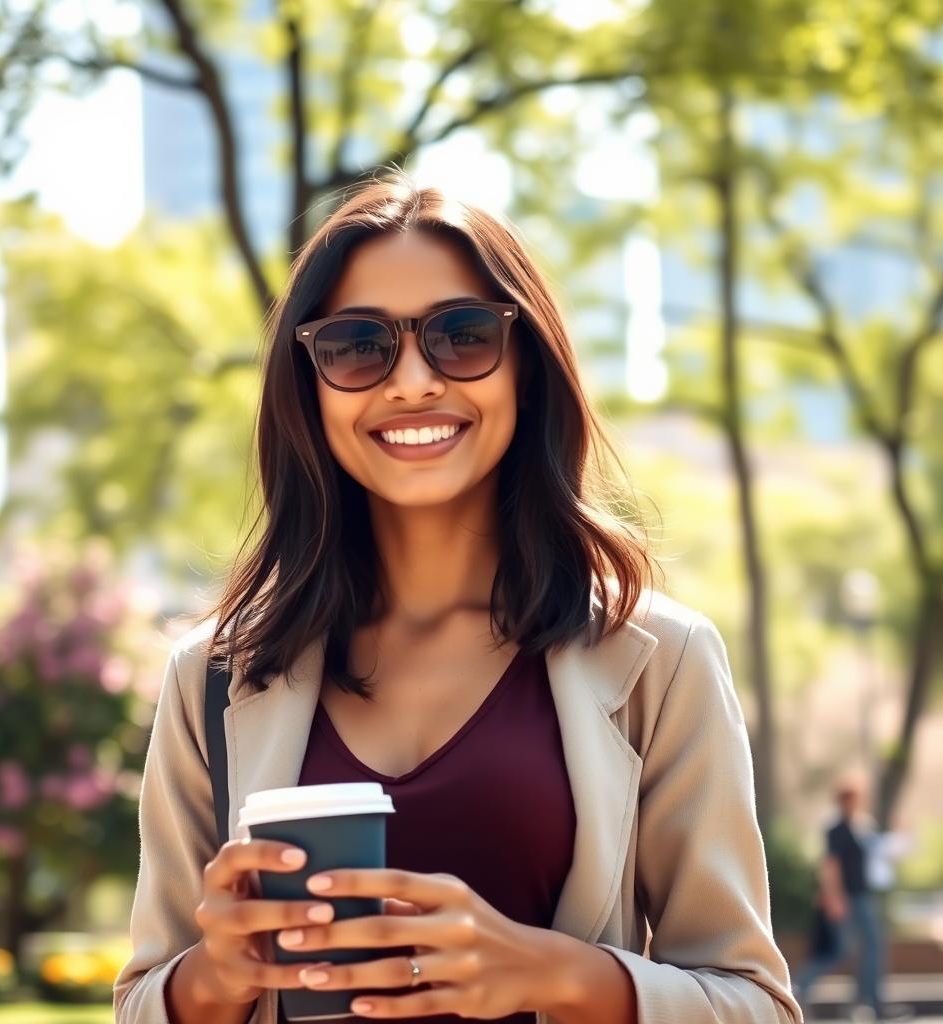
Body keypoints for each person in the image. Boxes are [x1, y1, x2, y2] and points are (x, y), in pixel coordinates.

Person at [113, 171, 802, 1024]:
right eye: (358, 346)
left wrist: (555, 974)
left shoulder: (660, 659)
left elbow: (757, 1006)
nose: (411, 384)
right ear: (311, 387)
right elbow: (142, 1000)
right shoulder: (213, 675)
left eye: (462, 336)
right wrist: (214, 977)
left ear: (525, 367)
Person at [793, 777, 913, 1022]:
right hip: (849, 898)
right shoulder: (836, 829)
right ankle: (798, 988)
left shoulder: (859, 827)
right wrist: (835, 898)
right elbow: (830, 865)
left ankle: (868, 1001)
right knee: (841, 950)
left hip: (861, 896)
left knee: (870, 946)